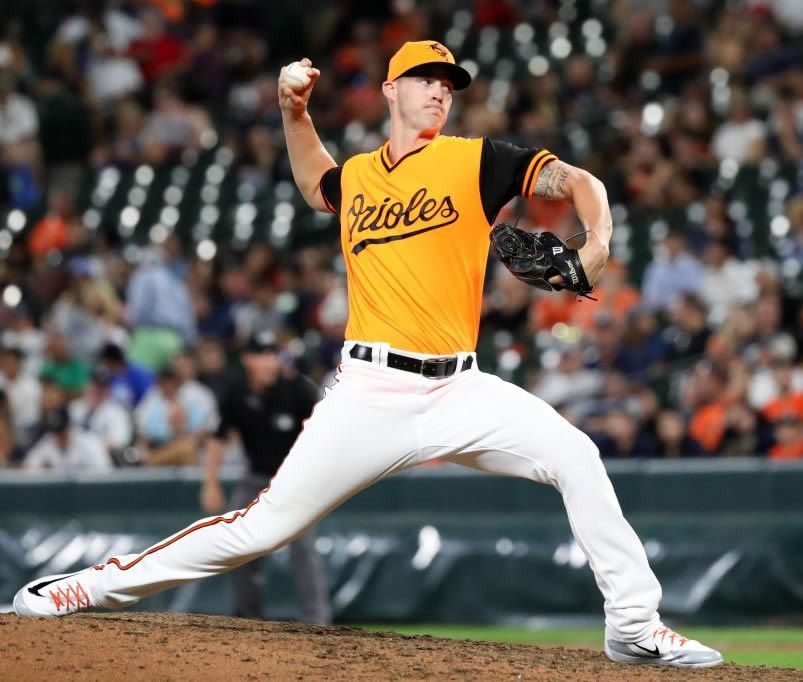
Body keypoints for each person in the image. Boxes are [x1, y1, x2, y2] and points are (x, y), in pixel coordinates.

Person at [13, 40, 722, 669]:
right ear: (391, 89)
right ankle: (89, 585)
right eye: (425, 77)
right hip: (369, 391)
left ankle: (633, 626)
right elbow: (314, 180)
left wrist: (595, 243)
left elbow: (579, 182)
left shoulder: (475, 161)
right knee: (262, 528)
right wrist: (294, 113)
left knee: (576, 456)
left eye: (449, 82)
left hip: (461, 390)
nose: (440, 89)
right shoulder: (358, 178)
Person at [201, 330, 331, 624]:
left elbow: (325, 432)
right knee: (235, 541)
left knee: (303, 550)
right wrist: (210, 483)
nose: (269, 361)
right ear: (248, 360)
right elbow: (217, 439)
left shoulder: (297, 389)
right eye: (262, 355)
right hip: (255, 478)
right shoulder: (236, 392)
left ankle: (317, 621)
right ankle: (247, 618)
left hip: (293, 481)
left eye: (273, 354)